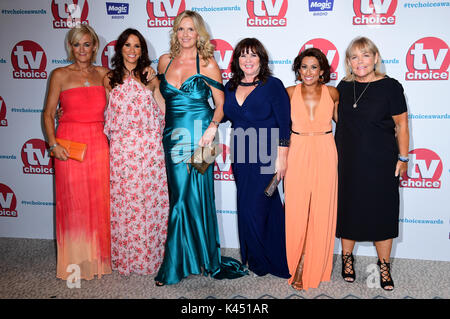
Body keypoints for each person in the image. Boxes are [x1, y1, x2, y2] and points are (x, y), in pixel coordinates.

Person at [153, 10, 247, 286]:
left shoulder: (206, 63)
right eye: (181, 29)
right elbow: (162, 95)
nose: (185, 34)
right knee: (179, 197)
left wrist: (212, 129)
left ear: (198, 34)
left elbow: (221, 105)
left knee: (197, 197)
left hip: (204, 138)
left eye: (190, 30)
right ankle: (188, 258)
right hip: (173, 137)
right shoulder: (164, 61)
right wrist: (164, 120)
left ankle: (178, 266)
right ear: (175, 32)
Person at [335, 37, 409, 291]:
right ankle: (347, 260)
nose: (360, 62)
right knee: (348, 209)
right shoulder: (342, 88)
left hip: (381, 160)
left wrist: (403, 157)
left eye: (365, 55)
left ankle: (384, 265)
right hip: (347, 160)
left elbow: (401, 125)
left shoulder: (391, 87)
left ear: (376, 58)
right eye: (354, 57)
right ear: (348, 62)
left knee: (383, 211)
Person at [43, 25, 111, 280]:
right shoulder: (59, 74)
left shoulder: (104, 74)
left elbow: (125, 101)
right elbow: (49, 113)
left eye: (86, 44)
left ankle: (97, 258)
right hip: (68, 144)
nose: (81, 49)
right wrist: (52, 144)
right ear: (70, 47)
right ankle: (75, 260)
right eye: (76, 44)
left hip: (98, 141)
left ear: (95, 46)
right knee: (73, 201)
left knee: (98, 200)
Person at [223, 38, 291, 279]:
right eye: (243, 55)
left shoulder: (272, 85)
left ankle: (263, 260)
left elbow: (285, 124)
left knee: (256, 207)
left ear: (261, 59)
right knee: (252, 207)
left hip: (266, 155)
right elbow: (220, 115)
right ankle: (260, 257)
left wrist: (282, 158)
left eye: (253, 55)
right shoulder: (229, 87)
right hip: (240, 154)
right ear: (236, 60)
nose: (248, 60)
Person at [103, 28, 169, 276]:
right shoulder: (109, 78)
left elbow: (163, 111)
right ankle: (127, 258)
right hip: (121, 150)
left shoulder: (150, 77)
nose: (132, 50)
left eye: (137, 46)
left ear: (143, 51)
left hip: (149, 149)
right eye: (128, 45)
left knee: (150, 203)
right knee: (125, 204)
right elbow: (104, 113)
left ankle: (152, 257)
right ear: (120, 48)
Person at [284, 48, 339, 290]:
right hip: (297, 149)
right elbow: (276, 124)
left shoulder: (333, 93)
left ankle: (312, 262)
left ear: (322, 71)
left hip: (326, 149)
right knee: (297, 209)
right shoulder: (288, 92)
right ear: (298, 69)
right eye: (304, 67)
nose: (308, 72)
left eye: (314, 67)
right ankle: (297, 261)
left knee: (321, 209)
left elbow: (348, 125)